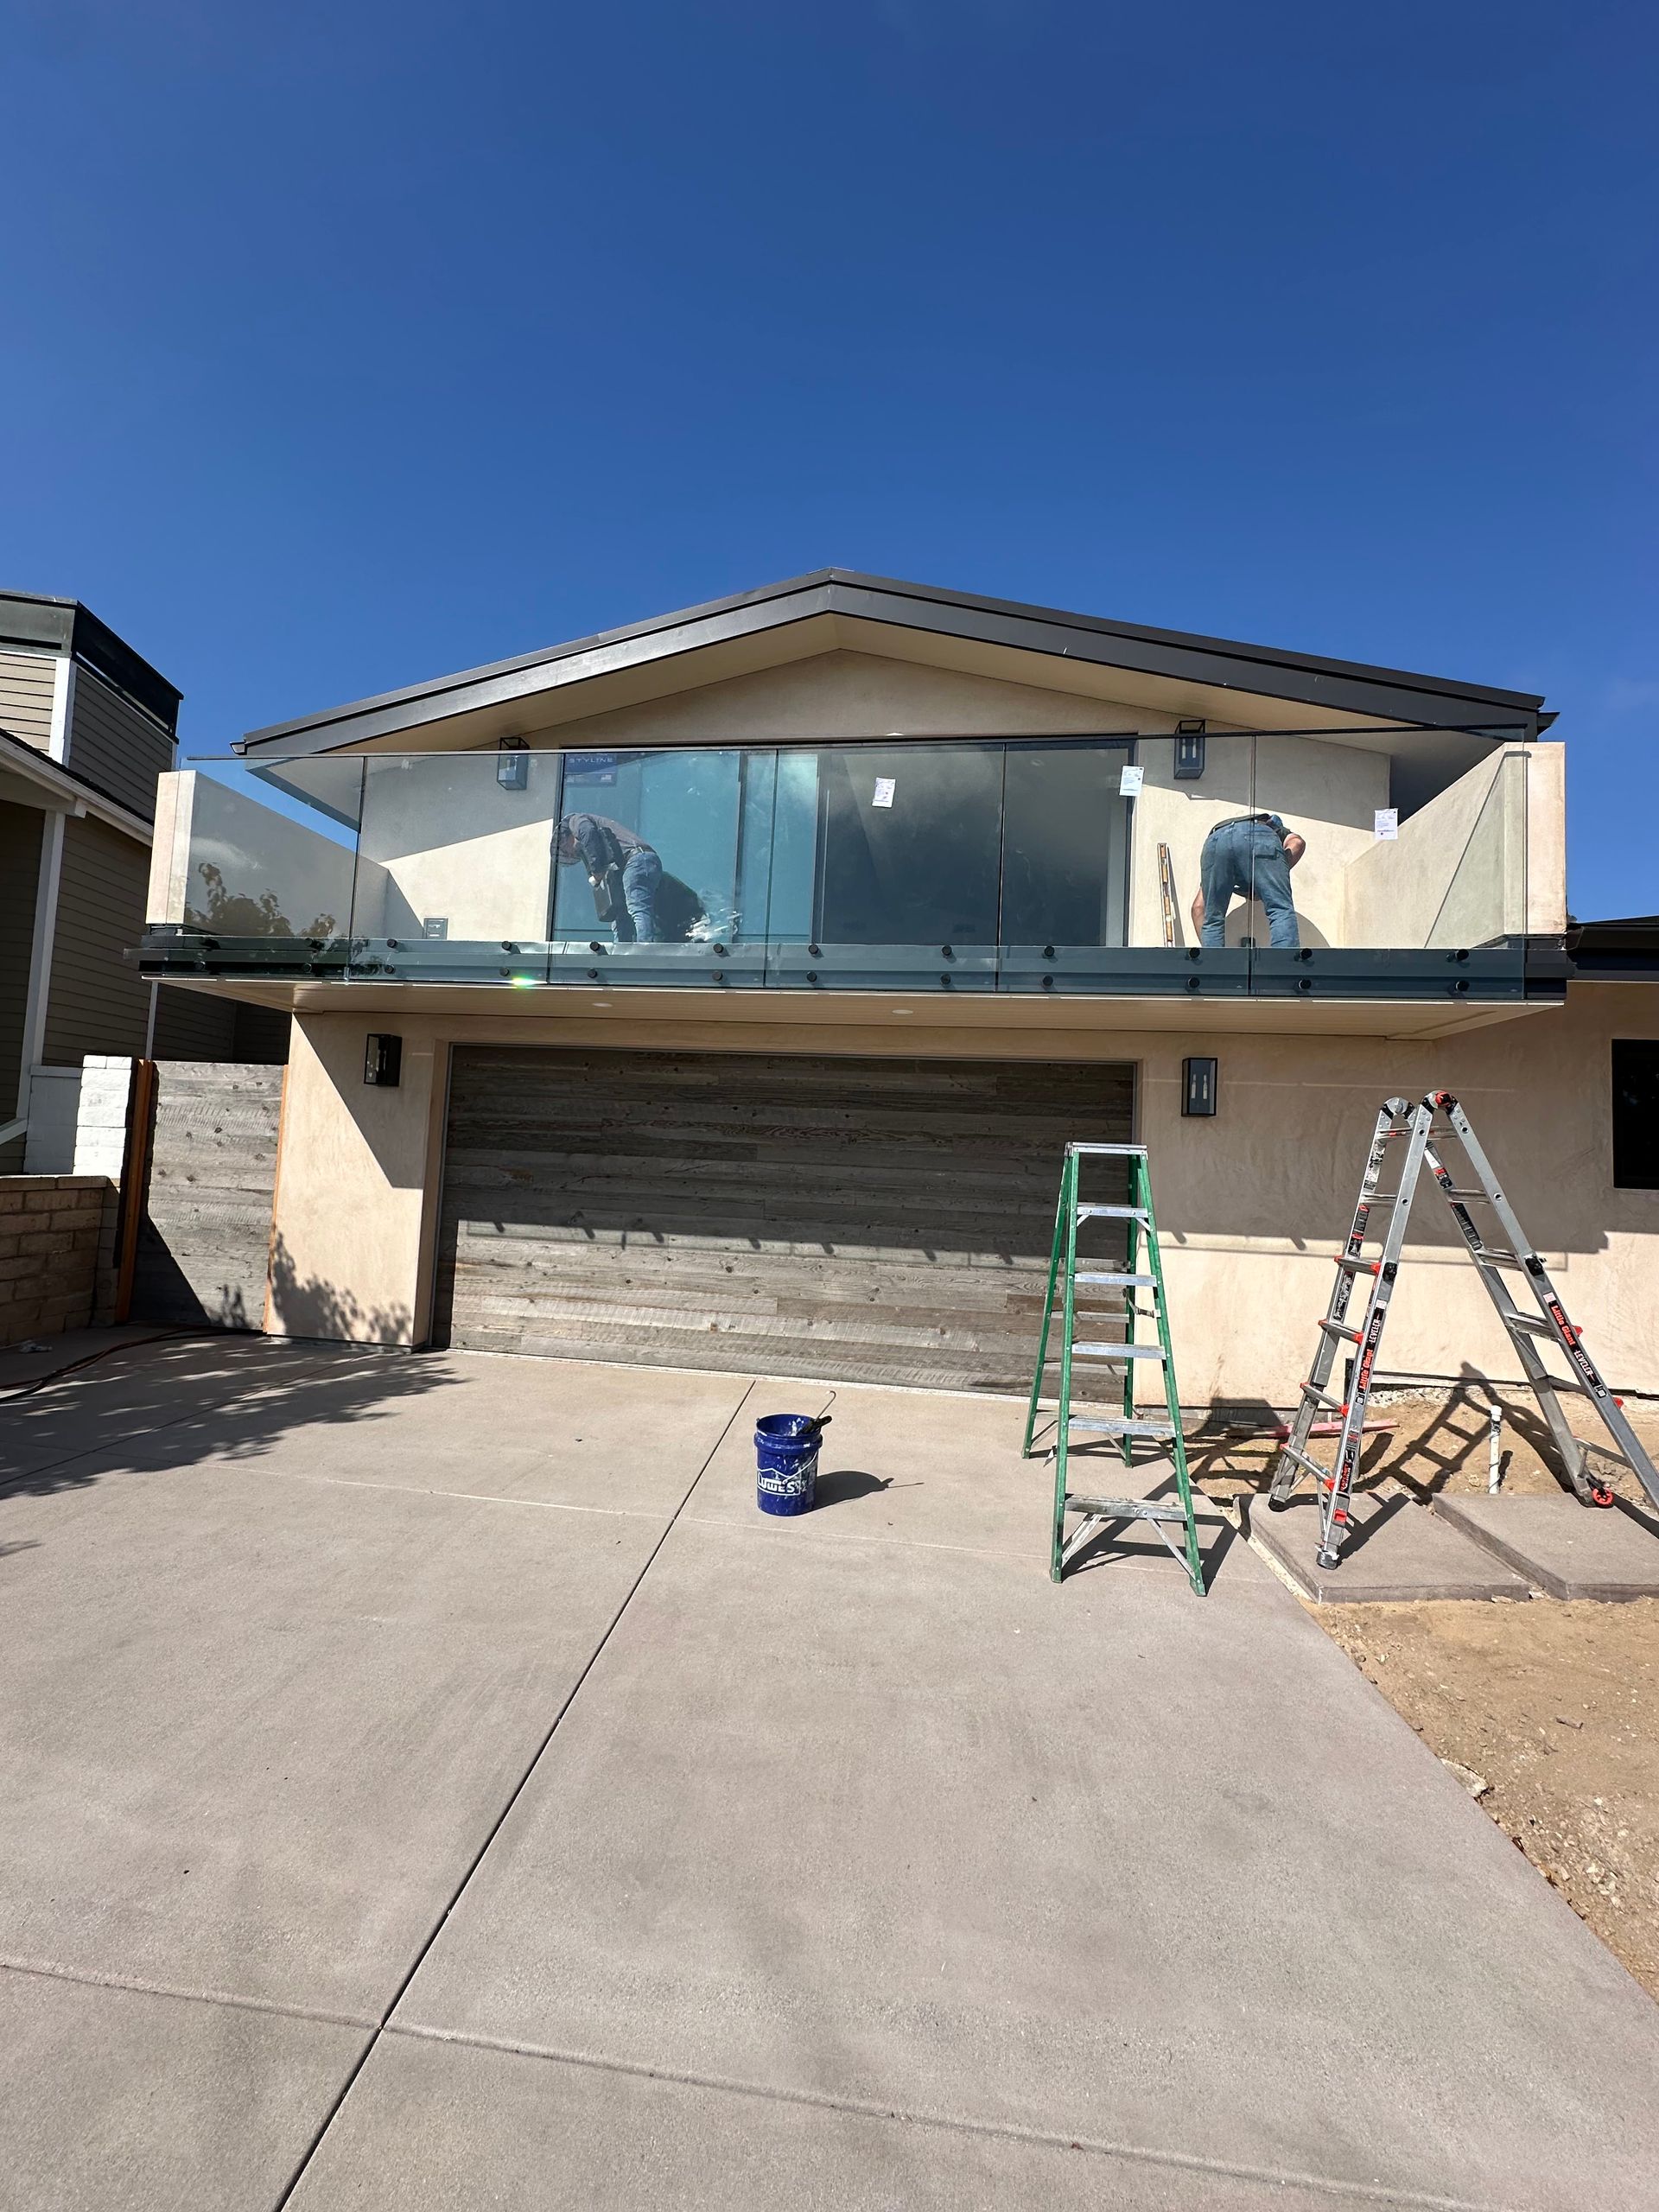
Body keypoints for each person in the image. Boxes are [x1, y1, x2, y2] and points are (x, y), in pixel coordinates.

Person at [1191, 812, 1306, 949]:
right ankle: (1284, 964)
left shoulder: (1223, 850)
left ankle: (1215, 964)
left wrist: (1210, 951)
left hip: (1215, 840)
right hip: (1258, 833)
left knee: (1213, 918)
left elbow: (1198, 908)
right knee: (1279, 908)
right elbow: (1297, 842)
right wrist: (1276, 871)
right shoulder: (1276, 828)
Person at [556, 813, 663, 944]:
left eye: (566, 850)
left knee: (637, 906)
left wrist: (596, 870)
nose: (571, 854)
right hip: (637, 863)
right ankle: (621, 953)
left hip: (636, 860)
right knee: (619, 913)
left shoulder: (575, 821)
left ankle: (644, 948)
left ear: (565, 838)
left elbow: (588, 831)